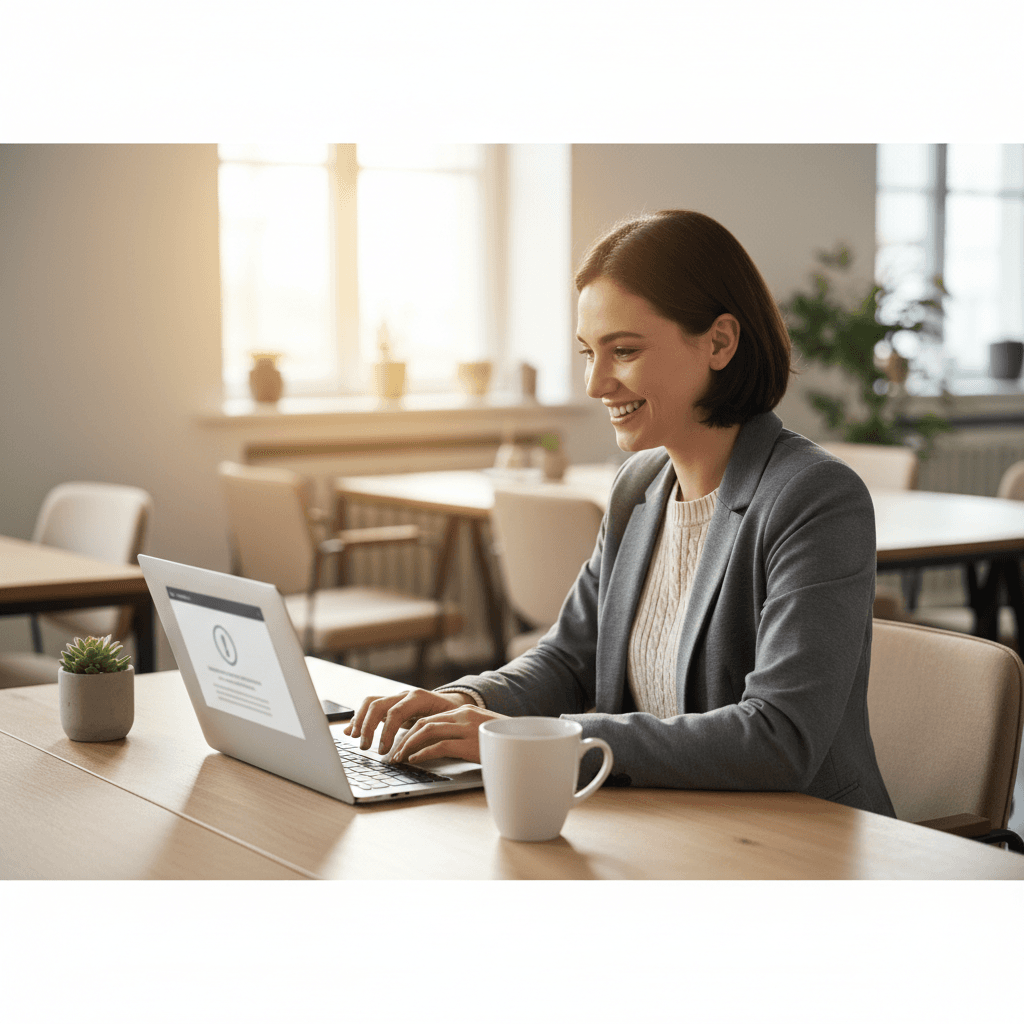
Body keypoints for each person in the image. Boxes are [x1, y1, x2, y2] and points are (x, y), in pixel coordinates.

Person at [344, 209, 896, 816]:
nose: (595, 383)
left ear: (719, 342)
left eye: (624, 351)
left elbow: (779, 737)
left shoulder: (813, 497)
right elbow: (569, 657)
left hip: (795, 843)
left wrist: (539, 742)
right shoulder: (639, 486)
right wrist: (462, 700)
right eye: (588, 353)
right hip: (665, 823)